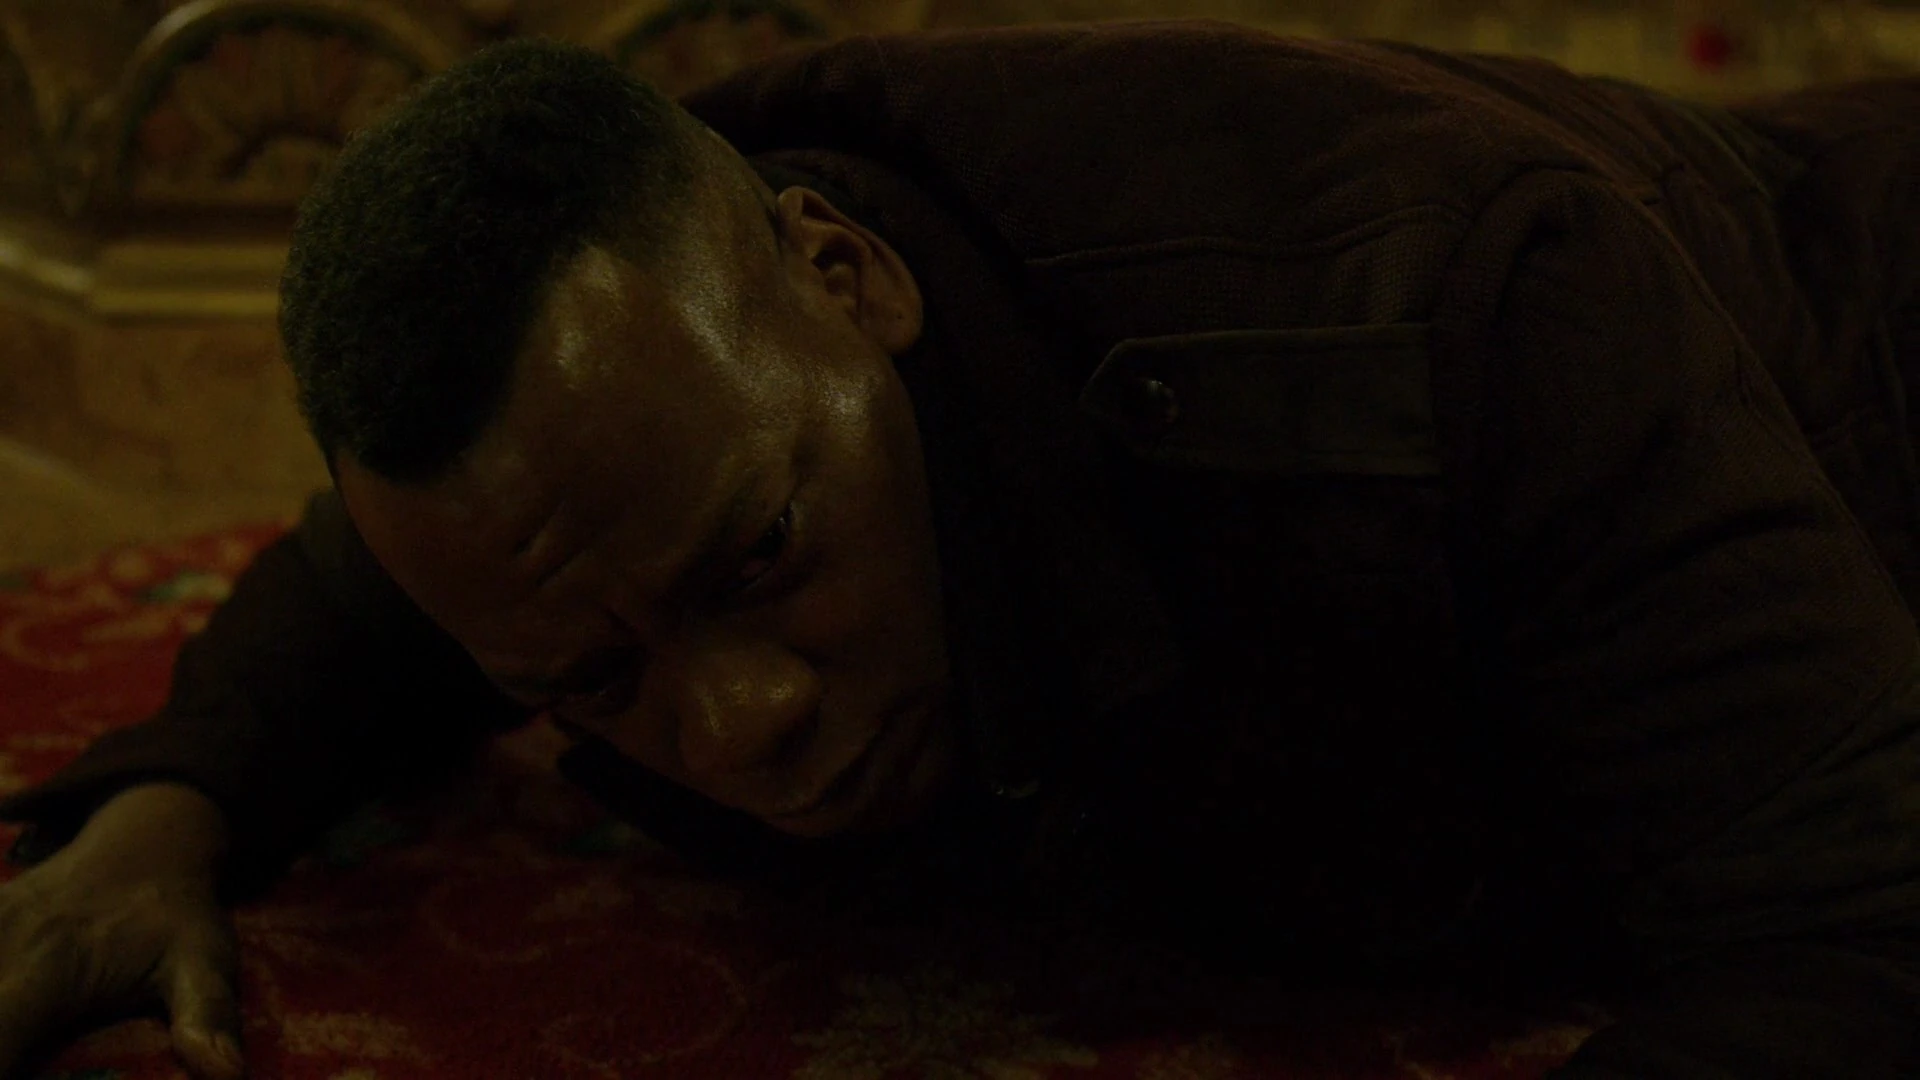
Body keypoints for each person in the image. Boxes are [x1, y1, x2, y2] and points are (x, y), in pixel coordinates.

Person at [3, 21, 1918, 1078]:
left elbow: (1859, 936)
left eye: (759, 562)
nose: (740, 725)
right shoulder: (641, 398)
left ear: (850, 281)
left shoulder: (1447, 324)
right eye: (597, 682)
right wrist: (162, 818)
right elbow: (368, 591)